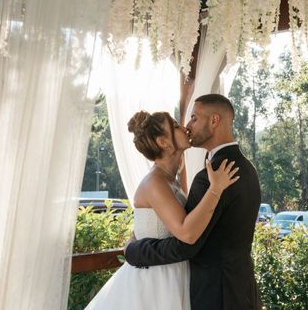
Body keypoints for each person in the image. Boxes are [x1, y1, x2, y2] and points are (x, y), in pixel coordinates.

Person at [84, 109, 239, 310]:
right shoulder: (155, 182)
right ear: (163, 142)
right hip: (154, 282)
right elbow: (187, 233)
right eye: (175, 126)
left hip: (173, 274)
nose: (184, 128)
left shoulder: (169, 180)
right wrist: (216, 189)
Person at [125, 94, 262, 310]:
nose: (187, 126)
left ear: (214, 120)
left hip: (217, 294)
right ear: (164, 143)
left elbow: (187, 242)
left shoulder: (213, 175)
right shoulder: (247, 168)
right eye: (179, 124)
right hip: (239, 288)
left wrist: (134, 250)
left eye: (193, 118)